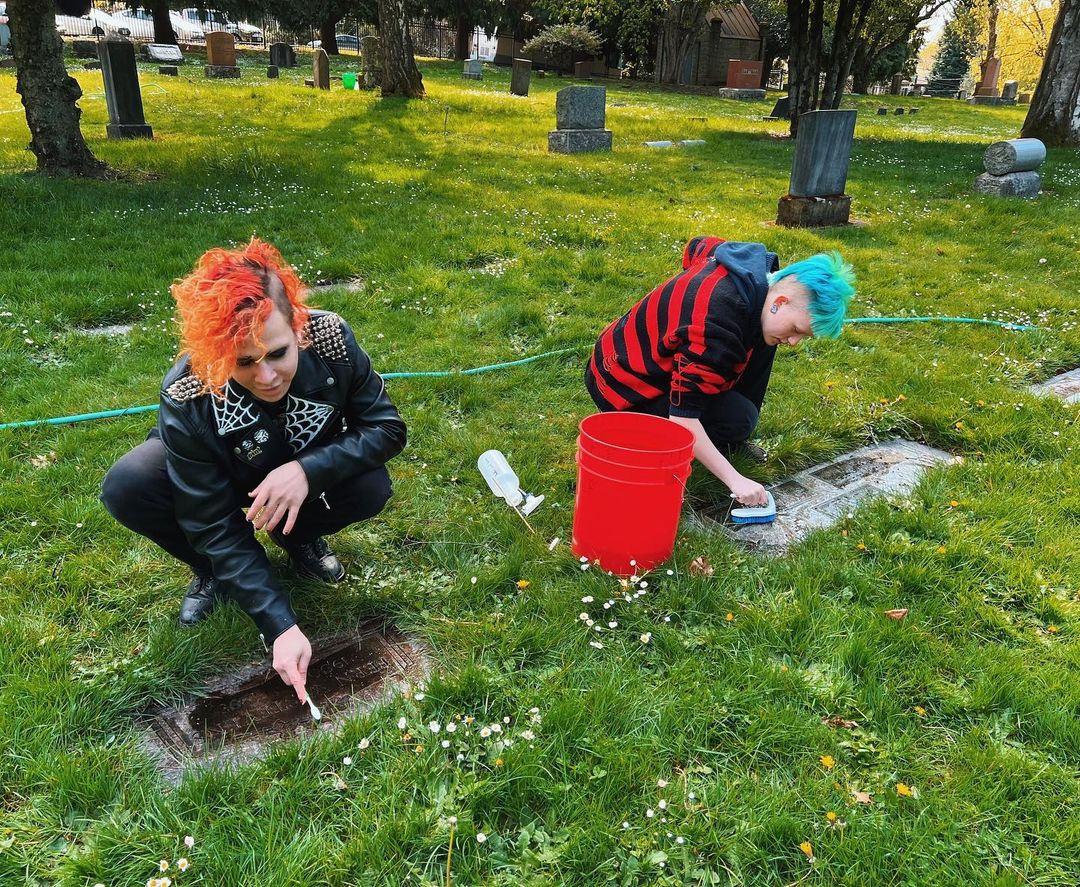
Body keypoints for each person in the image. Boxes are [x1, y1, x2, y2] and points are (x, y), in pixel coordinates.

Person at [101, 238, 406, 701]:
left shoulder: (332, 339)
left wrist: (308, 470)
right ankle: (214, 572)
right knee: (129, 484)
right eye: (244, 362)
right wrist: (279, 625)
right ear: (217, 354)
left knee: (369, 485)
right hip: (221, 477)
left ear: (298, 327)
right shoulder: (188, 388)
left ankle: (297, 534)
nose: (267, 377)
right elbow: (210, 518)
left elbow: (385, 428)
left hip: (301, 469)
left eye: (278, 353)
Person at [585, 236, 855, 506]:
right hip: (622, 388)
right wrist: (736, 480)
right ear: (781, 301)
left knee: (768, 337)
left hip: (621, 353)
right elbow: (683, 419)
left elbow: (698, 246)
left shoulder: (749, 266)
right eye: (797, 329)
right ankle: (722, 437)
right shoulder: (716, 330)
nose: (794, 342)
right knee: (739, 419)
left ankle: (723, 419)